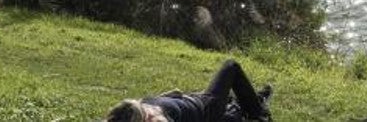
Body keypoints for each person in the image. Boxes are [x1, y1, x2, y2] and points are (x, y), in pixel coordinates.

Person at [105, 59, 272, 122]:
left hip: (193, 98)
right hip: (207, 109)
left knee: (232, 102)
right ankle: (257, 112)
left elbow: (175, 93)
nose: (146, 110)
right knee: (231, 66)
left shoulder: (130, 110)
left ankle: (250, 103)